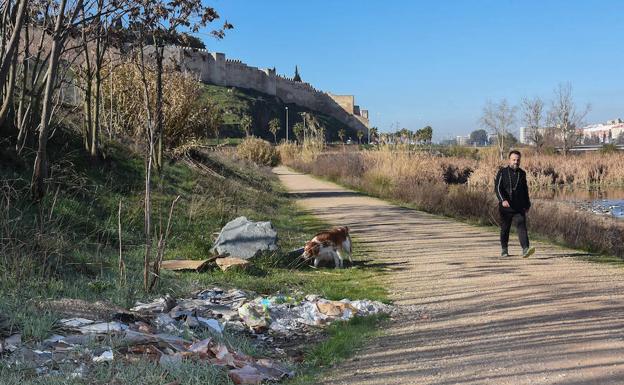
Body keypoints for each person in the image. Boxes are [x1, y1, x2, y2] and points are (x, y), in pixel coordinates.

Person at [494, 150, 536, 258]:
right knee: (505, 228)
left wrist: (527, 204)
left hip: (519, 206)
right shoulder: (502, 172)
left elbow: (525, 190)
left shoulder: (522, 173)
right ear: (509, 160)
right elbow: (497, 188)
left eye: (518, 160)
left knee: (522, 226)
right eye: (514, 160)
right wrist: (502, 200)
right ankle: (504, 250)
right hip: (506, 207)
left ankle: (526, 249)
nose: (516, 162)